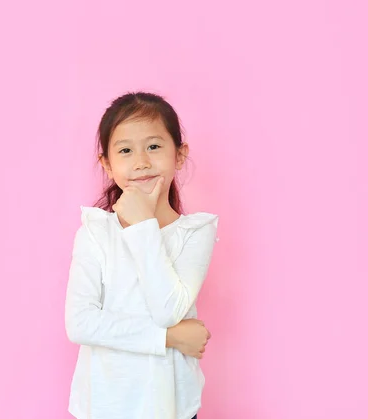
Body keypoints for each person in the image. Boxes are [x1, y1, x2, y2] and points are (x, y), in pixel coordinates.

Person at [65, 91, 219, 419]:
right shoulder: (95, 231)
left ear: (179, 155)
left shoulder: (195, 231)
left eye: (153, 146)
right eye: (125, 150)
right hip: (105, 407)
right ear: (106, 163)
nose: (141, 162)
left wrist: (143, 225)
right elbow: (80, 324)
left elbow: (167, 310)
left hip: (173, 406)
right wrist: (170, 338)